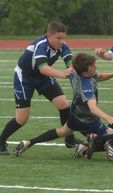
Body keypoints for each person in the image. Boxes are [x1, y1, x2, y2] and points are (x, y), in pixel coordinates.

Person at [13, 53, 113, 158]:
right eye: (93, 65)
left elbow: (99, 77)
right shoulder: (86, 86)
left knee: (62, 132)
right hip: (88, 121)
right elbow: (92, 108)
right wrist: (108, 117)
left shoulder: (75, 73)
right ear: (85, 69)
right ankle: (85, 147)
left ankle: (29, 143)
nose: (95, 67)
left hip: (75, 115)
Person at [0, 21, 80, 155]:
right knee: (22, 118)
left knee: (64, 105)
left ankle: (69, 139)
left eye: (63, 38)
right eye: (58, 38)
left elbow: (70, 63)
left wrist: (74, 70)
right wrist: (63, 74)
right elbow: (43, 69)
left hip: (43, 78)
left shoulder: (62, 46)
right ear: (49, 35)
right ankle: (1, 141)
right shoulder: (40, 45)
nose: (61, 41)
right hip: (25, 78)